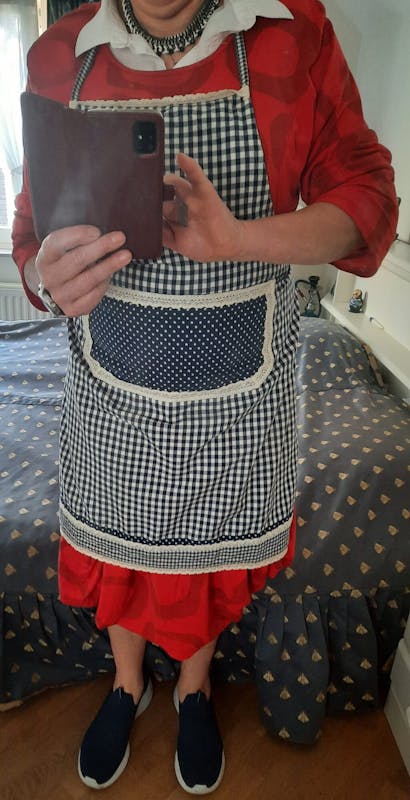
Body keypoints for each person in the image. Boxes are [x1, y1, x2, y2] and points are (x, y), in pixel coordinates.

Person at [12, 0, 398, 794]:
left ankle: (192, 690)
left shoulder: (292, 35)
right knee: (116, 555)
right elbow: (30, 231)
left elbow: (367, 201)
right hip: (112, 399)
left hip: (238, 403)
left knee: (210, 564)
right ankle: (127, 686)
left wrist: (241, 239)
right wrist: (43, 279)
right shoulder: (61, 57)